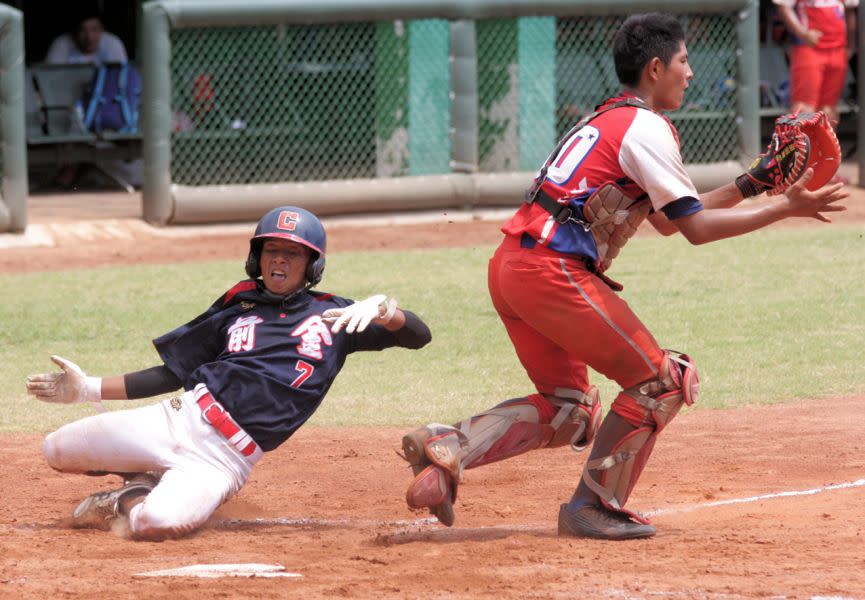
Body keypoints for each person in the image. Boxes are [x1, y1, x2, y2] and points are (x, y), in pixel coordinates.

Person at [399, 13, 848, 540]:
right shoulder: (648, 127)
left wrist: (753, 185)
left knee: (572, 409)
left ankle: (449, 443)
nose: (690, 73)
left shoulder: (611, 119)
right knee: (663, 381)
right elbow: (695, 229)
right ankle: (593, 506)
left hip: (513, 267)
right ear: (655, 67)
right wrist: (783, 210)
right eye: (683, 61)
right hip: (551, 272)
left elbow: (665, 218)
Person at [26, 206, 432, 541]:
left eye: (293, 253)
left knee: (154, 524)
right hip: (180, 417)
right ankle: (146, 467)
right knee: (55, 450)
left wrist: (385, 311)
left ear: (312, 264)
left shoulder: (338, 316)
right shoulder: (239, 302)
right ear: (257, 258)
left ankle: (128, 495)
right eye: (272, 250)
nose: (279, 260)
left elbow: (419, 336)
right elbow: (173, 372)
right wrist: (86, 389)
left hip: (225, 458)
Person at [773, 0, 857, 125]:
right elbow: (783, 6)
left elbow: (850, 12)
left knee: (829, 108)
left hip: (837, 49)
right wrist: (802, 33)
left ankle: (824, 144)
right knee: (804, 107)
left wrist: (851, 45)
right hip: (809, 48)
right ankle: (799, 144)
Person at [45, 8, 128, 66]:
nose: (89, 37)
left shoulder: (113, 43)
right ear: (74, 32)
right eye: (82, 30)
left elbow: (123, 76)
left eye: (94, 29)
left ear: (102, 30)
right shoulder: (61, 44)